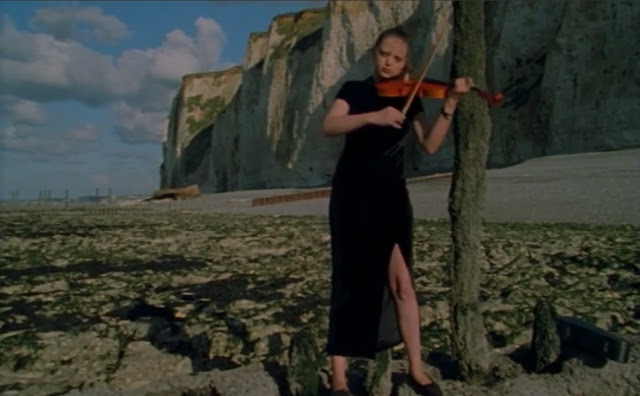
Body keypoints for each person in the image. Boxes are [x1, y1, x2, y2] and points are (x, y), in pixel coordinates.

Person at [321, 26, 474, 396]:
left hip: (390, 197)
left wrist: (449, 104)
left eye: (397, 58)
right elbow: (328, 125)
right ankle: (339, 378)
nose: (389, 63)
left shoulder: (412, 98)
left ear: (407, 65)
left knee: (403, 285)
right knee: (349, 279)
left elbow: (430, 146)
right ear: (374, 52)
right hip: (352, 196)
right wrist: (372, 117)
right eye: (384, 54)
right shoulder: (354, 91)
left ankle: (417, 370)